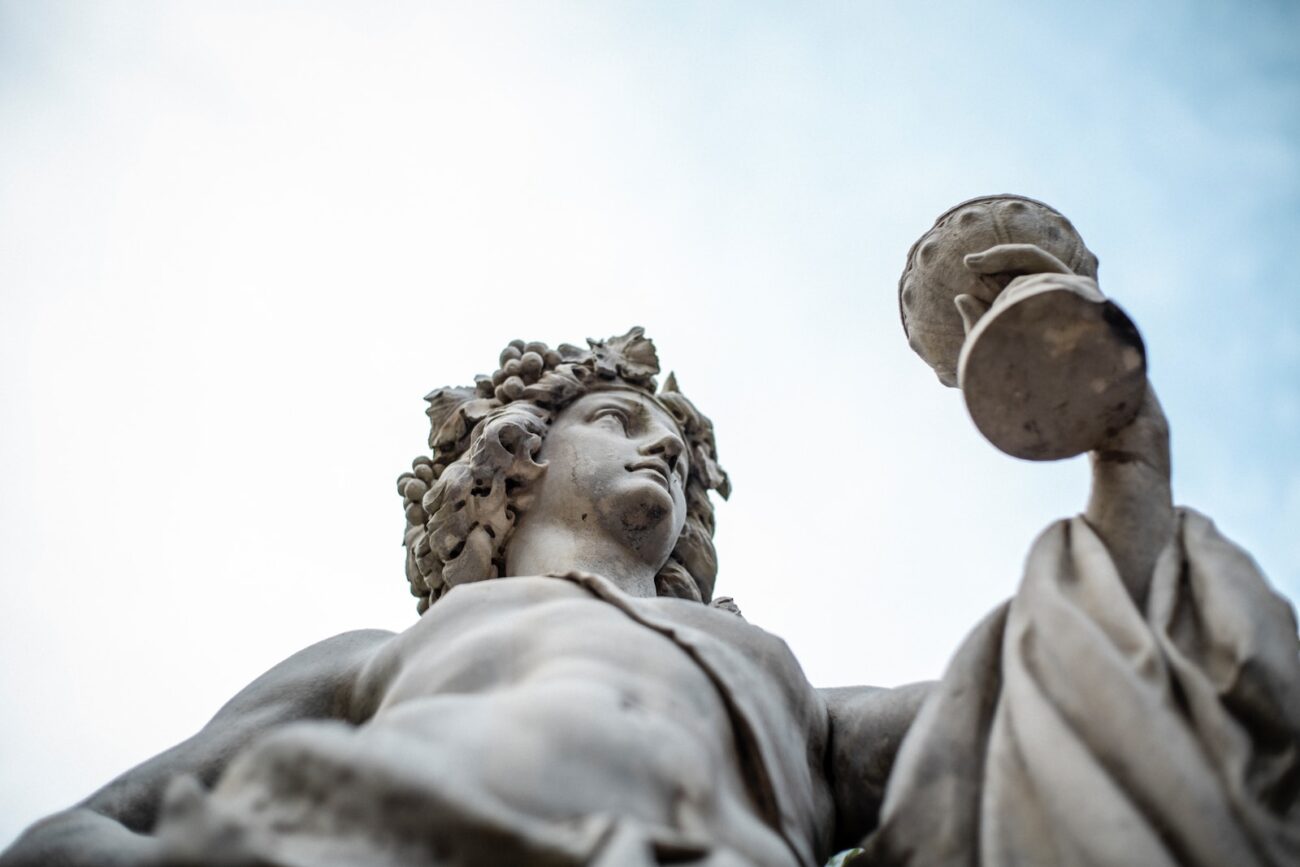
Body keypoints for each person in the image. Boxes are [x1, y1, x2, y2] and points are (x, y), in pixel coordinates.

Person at [0, 327, 930, 867]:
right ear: (517, 448)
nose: (664, 451)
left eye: (680, 457)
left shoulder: (776, 676)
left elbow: (973, 707)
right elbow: (81, 831)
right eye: (617, 419)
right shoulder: (374, 657)